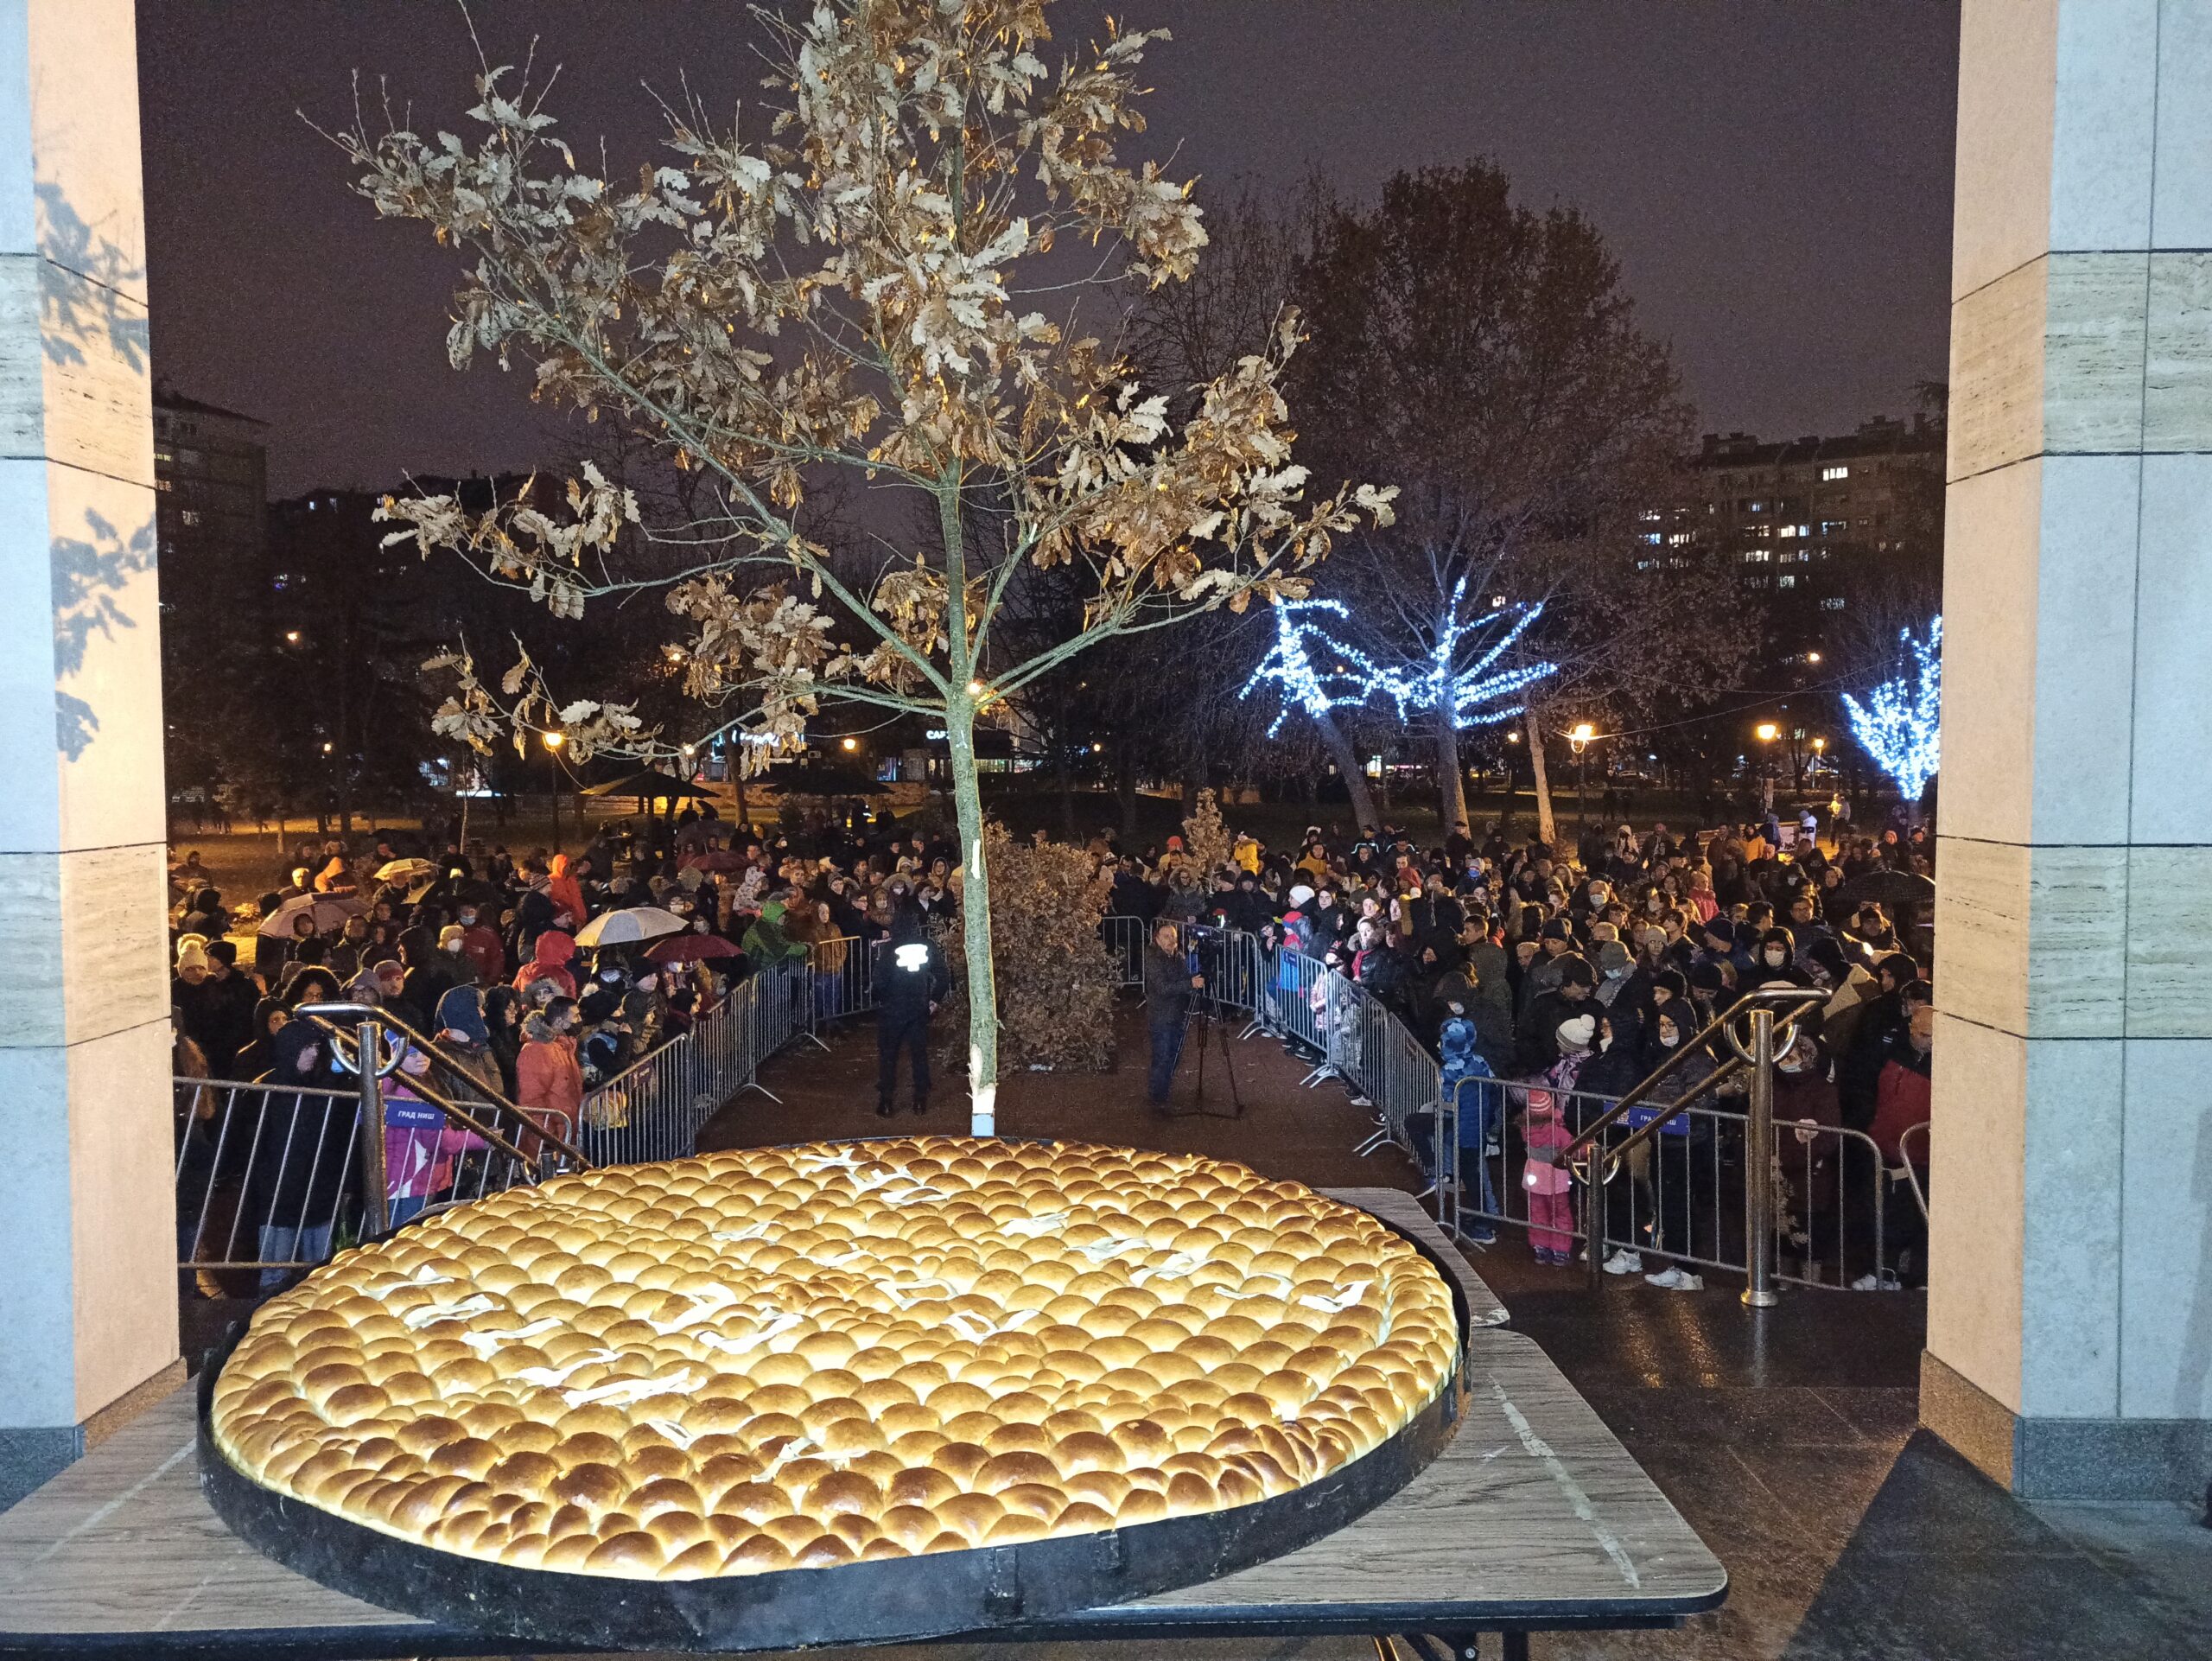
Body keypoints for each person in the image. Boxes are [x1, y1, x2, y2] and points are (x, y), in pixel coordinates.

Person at [874, 907, 949, 1117]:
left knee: (889, 1055)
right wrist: (934, 999)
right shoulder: (926, 946)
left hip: (893, 1008)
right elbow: (942, 974)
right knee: (919, 1054)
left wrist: (880, 998)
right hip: (918, 1007)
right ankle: (920, 1099)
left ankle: (886, 1101)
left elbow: (879, 980)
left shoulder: (890, 950)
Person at [1142, 920, 1202, 1109]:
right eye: (1166, 937)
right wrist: (1189, 985)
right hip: (1162, 1016)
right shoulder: (1153, 958)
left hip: (1177, 1014)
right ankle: (1157, 1097)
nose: (1171, 941)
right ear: (1157, 939)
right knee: (1163, 1056)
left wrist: (1194, 980)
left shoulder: (1178, 957)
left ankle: (1162, 1092)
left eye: (1173, 937)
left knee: (1173, 1056)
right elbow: (1162, 987)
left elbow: (1184, 978)